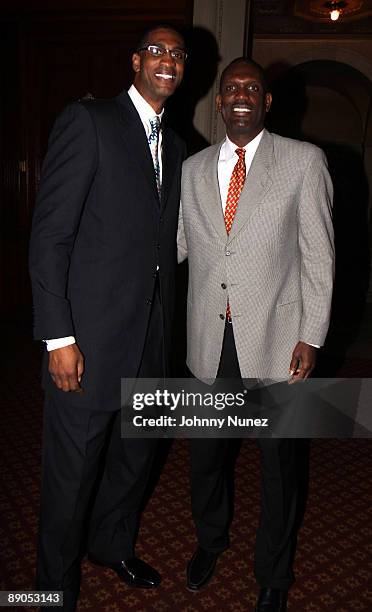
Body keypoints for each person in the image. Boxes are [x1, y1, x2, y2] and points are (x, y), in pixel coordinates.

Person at [29, 25, 186, 611]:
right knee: (70, 481)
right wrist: (59, 336)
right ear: (135, 61)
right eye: (156, 50)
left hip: (150, 338)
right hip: (87, 343)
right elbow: (50, 238)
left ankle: (111, 545)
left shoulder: (178, 145)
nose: (166, 60)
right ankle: (52, 593)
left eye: (176, 53)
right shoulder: (90, 121)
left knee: (133, 458)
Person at [177, 58, 334, 611]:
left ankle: (274, 573)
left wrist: (311, 335)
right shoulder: (192, 169)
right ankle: (210, 540)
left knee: (279, 469)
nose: (240, 94)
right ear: (218, 103)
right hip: (206, 340)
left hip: (277, 338)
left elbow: (319, 256)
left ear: (267, 102)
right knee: (206, 460)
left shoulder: (304, 162)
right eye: (230, 88)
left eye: (252, 88)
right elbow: (177, 246)